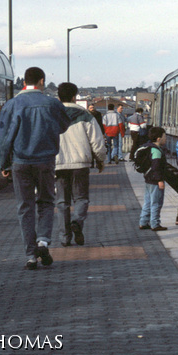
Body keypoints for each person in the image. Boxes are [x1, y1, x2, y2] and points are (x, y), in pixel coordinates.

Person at [0, 67, 70, 270]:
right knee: (46, 202)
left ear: (24, 83)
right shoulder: (52, 103)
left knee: (24, 207)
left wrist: (3, 163)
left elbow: (4, 138)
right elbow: (64, 125)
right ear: (41, 81)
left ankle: (30, 255)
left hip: (20, 162)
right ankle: (43, 241)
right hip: (46, 160)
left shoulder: (12, 105)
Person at [55, 82, 106, 246]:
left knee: (62, 201)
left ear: (58, 96)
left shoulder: (52, 114)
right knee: (81, 198)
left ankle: (64, 237)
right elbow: (97, 141)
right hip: (81, 163)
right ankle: (76, 222)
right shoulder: (85, 115)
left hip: (58, 164)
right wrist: (100, 159)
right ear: (74, 97)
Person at [138, 126, 168, 231]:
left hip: (148, 180)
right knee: (156, 202)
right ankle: (155, 224)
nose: (166, 139)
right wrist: (160, 180)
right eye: (165, 137)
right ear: (159, 139)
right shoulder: (156, 151)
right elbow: (156, 167)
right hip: (155, 181)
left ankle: (143, 222)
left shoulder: (149, 147)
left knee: (147, 201)